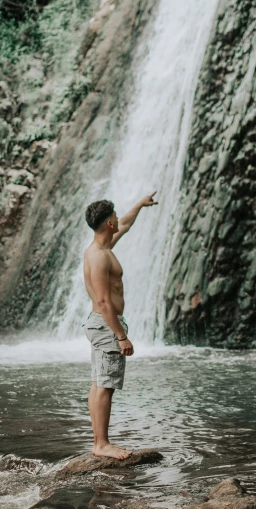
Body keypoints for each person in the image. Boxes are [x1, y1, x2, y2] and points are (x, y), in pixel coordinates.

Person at [83, 193, 158, 459]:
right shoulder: (100, 257)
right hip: (106, 325)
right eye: (114, 216)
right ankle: (101, 444)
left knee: (98, 382)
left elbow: (125, 224)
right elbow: (104, 301)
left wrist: (139, 204)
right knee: (105, 385)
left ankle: (98, 442)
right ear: (107, 224)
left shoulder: (102, 247)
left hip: (101, 324)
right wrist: (121, 336)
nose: (118, 218)